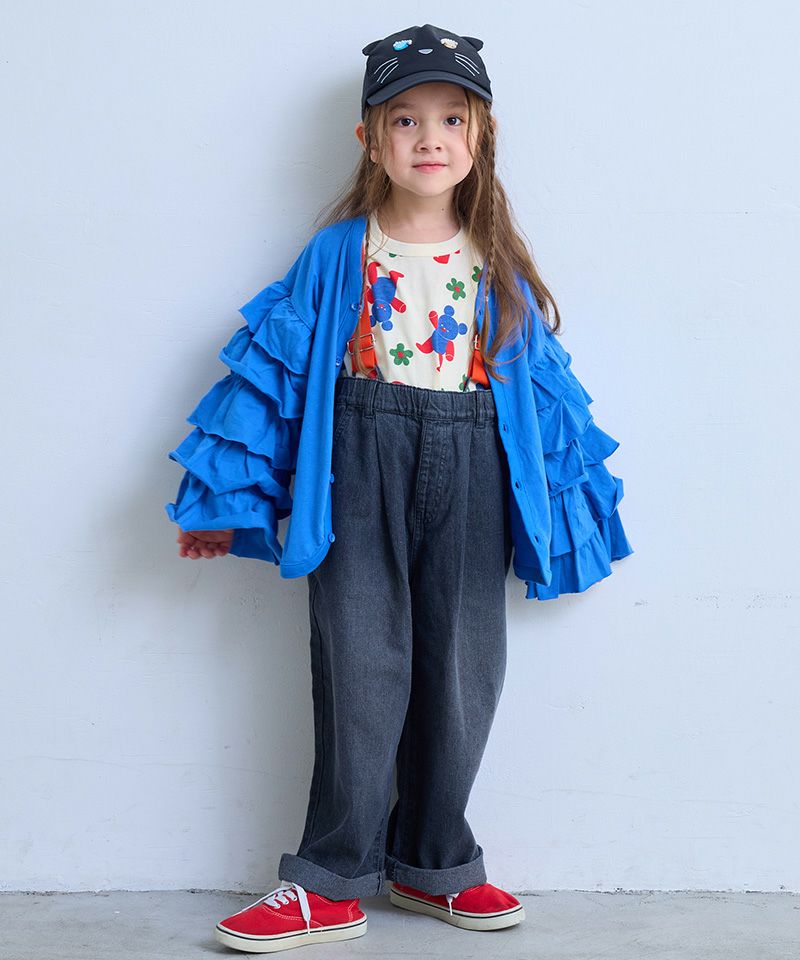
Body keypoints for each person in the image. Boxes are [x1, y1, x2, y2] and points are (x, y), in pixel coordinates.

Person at [165, 23, 634, 953]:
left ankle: (433, 863)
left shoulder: (497, 266)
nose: (430, 138)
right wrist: (229, 499)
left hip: (474, 469)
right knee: (360, 668)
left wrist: (568, 515)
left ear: (481, 137)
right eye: (406, 119)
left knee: (462, 672)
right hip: (359, 464)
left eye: (452, 119)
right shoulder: (339, 253)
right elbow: (276, 376)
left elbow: (542, 405)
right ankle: (330, 880)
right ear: (370, 140)